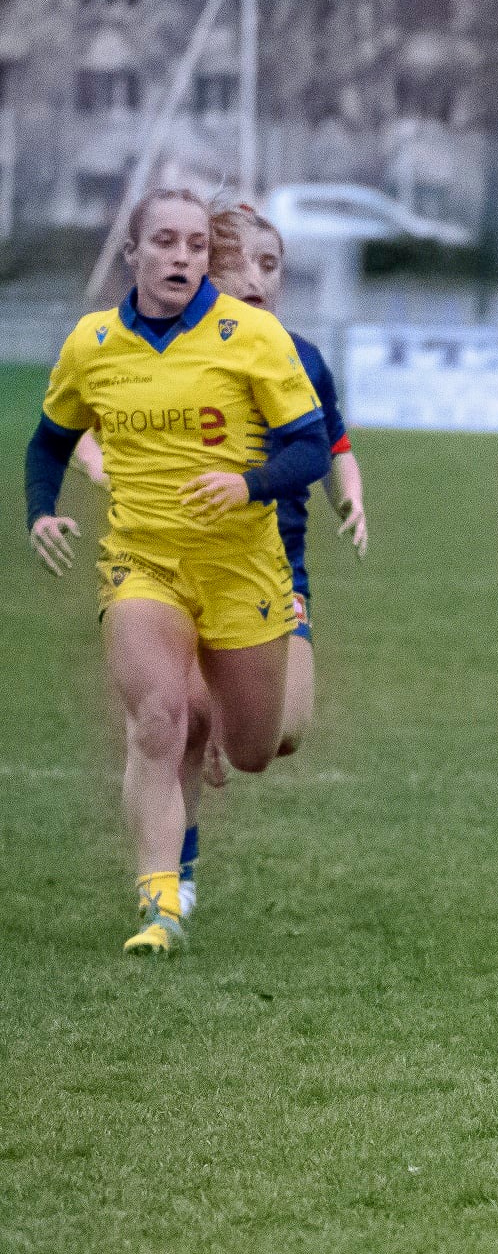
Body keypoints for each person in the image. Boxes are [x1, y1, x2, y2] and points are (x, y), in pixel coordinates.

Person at [24, 187, 330, 956]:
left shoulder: (252, 336)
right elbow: (48, 441)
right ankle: (161, 904)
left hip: (244, 570)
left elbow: (310, 448)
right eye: (166, 243)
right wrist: (40, 510)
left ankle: (222, 720)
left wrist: (247, 484)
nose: (183, 258)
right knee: (157, 720)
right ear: (134, 254)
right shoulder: (92, 344)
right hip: (142, 560)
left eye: (196, 245)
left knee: (257, 747)